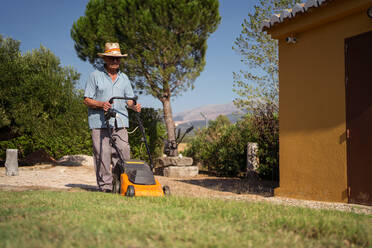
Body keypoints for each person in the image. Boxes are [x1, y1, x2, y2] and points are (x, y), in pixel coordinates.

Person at [83, 42, 141, 193]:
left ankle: (123, 184)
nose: (115, 62)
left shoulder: (125, 78)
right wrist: (101, 104)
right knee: (102, 155)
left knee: (124, 152)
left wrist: (134, 105)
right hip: (100, 123)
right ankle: (106, 187)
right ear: (106, 59)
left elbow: (129, 99)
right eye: (112, 58)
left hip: (120, 122)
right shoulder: (95, 76)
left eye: (117, 59)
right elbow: (87, 100)